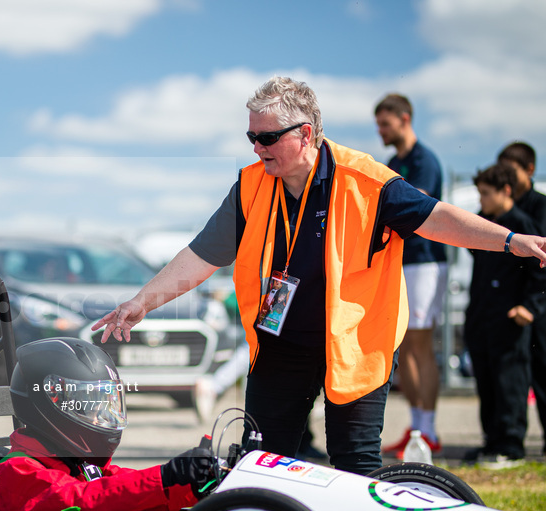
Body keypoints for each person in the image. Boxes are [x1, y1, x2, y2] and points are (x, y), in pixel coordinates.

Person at [92, 76, 546, 476]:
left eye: (267, 137)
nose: (256, 147)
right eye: (251, 136)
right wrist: (141, 303)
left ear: (305, 133)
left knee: (354, 464)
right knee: (260, 463)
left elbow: (438, 218)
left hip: (355, 343)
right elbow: (202, 253)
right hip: (281, 341)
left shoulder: (366, 181)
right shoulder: (251, 186)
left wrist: (512, 240)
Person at [0, 337, 214, 511]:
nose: (99, 415)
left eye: (103, 404)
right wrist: (164, 477)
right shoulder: (19, 472)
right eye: (90, 405)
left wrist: (190, 484)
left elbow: (125, 484)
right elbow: (86, 499)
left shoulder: (78, 462)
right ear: (47, 406)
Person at [374, 94, 447, 458]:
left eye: (385, 124)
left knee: (420, 345)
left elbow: (416, 206)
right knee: (405, 346)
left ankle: (428, 431)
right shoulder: (395, 161)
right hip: (403, 261)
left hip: (426, 262)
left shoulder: (425, 161)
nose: (380, 131)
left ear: (405, 119)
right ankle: (417, 428)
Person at [463, 163, 546, 465]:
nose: (481, 199)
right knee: (486, 381)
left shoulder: (522, 224)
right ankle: (492, 442)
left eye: (486, 193)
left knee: (510, 381)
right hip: (483, 315)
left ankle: (511, 446)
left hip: (510, 319)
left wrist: (529, 307)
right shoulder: (485, 225)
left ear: (505, 191)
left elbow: (541, 272)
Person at [497, 142, 546, 456]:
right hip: (512, 308)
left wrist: (532, 306)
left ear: (529, 169)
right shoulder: (503, 207)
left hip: (537, 307)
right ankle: (510, 441)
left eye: (510, 170)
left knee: (543, 374)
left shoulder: (539, 208)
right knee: (512, 379)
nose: (506, 177)